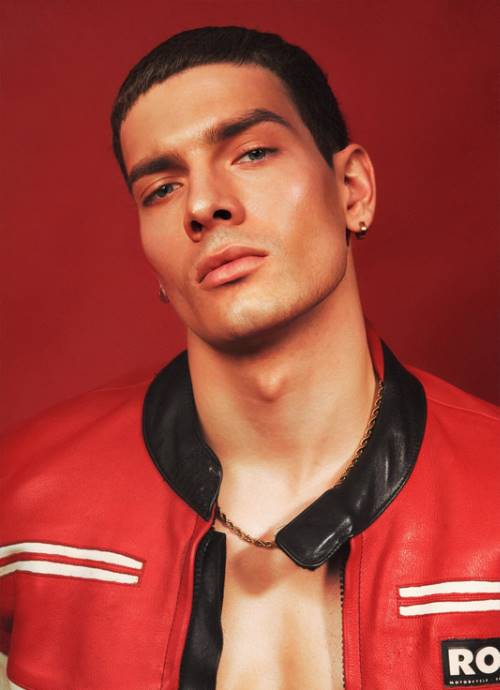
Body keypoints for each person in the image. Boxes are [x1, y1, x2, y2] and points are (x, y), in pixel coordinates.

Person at [0, 25, 499, 690]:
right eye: (161, 189)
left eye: (253, 152)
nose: (203, 204)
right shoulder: (22, 508)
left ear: (352, 190)